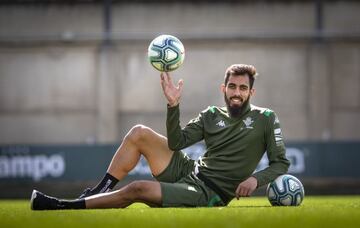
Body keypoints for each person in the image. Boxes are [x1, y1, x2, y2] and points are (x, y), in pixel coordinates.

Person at [30, 64, 290, 210]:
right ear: (224, 88)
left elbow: (281, 164)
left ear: (251, 93)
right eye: (232, 86)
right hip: (189, 170)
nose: (237, 92)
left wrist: (256, 180)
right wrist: (173, 105)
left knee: (138, 189)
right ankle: (97, 192)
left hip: (208, 193)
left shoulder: (266, 119)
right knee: (139, 133)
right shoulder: (211, 114)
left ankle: (63, 206)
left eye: (243, 88)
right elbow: (177, 143)